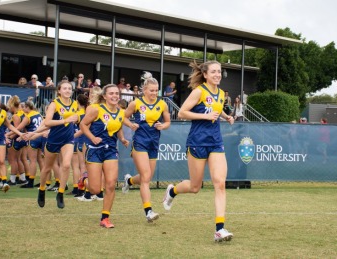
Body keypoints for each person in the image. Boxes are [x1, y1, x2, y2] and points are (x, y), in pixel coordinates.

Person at [162, 60, 235, 242]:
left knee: (220, 184)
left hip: (216, 142)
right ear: (205, 74)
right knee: (195, 187)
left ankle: (219, 229)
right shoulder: (199, 92)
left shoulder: (220, 93)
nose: (217, 74)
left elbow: (217, 110)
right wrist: (205, 116)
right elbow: (181, 113)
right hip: (197, 141)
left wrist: (227, 117)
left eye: (219, 71)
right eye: (214, 72)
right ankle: (172, 191)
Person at [122, 76, 170, 223]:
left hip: (154, 143)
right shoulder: (136, 103)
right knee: (146, 177)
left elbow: (167, 121)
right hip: (140, 142)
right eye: (151, 90)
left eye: (156, 90)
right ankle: (148, 211)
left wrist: (163, 126)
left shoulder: (162, 104)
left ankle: (129, 181)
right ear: (144, 90)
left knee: (146, 177)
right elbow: (122, 117)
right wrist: (130, 125)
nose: (154, 93)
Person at [79, 84, 129, 228]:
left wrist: (122, 139)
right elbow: (83, 125)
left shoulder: (121, 112)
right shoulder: (96, 110)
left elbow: (117, 126)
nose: (114, 96)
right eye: (111, 93)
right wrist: (92, 137)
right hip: (94, 149)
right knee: (95, 190)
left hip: (110, 150)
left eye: (116, 93)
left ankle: (105, 218)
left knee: (111, 184)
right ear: (105, 96)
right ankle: (84, 180)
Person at [35, 81, 79, 209]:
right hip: (54, 139)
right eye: (64, 88)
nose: (67, 90)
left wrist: (77, 119)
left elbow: (78, 117)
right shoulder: (54, 104)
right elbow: (47, 122)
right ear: (59, 91)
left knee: (66, 165)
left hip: (68, 139)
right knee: (47, 168)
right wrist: (65, 120)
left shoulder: (74, 104)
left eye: (69, 88)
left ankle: (60, 194)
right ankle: (42, 189)